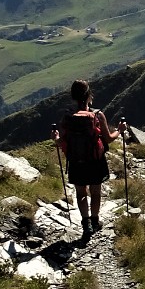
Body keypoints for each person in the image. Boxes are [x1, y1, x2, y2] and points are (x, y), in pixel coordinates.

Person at [53, 79, 119, 238]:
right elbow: (108, 138)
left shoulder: (68, 117)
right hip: (96, 160)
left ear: (73, 96)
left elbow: (62, 140)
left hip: (76, 161)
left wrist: (55, 138)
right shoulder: (97, 115)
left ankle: (86, 224)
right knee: (96, 191)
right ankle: (95, 221)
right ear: (89, 95)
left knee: (81, 192)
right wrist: (120, 130)